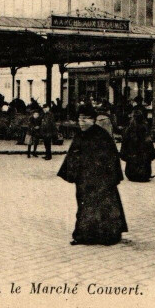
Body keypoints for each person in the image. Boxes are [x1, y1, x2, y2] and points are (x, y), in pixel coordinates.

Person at [57, 105, 127, 246]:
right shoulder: (80, 136)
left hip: (101, 181)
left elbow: (111, 158)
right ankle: (84, 235)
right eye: (79, 119)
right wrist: (72, 172)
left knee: (103, 208)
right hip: (84, 180)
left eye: (85, 119)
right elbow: (72, 156)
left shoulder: (102, 136)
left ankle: (107, 235)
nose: (81, 123)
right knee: (85, 207)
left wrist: (108, 177)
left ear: (93, 120)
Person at [120, 109, 155, 182]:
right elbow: (149, 144)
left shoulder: (129, 129)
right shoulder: (144, 127)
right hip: (144, 175)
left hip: (131, 175)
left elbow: (124, 144)